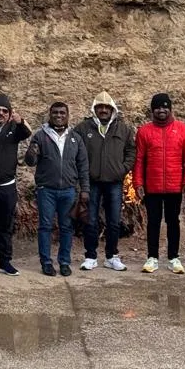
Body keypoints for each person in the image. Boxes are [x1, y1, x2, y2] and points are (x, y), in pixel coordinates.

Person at [133, 93, 185, 274]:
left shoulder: (183, 130)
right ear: (152, 110)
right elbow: (139, 160)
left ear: (170, 109)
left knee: (173, 222)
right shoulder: (144, 131)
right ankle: (152, 258)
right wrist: (138, 183)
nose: (161, 110)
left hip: (174, 186)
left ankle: (173, 258)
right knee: (153, 222)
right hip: (152, 186)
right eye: (157, 107)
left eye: (165, 107)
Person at [24, 102, 89, 277]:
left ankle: (64, 262)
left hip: (68, 190)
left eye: (62, 113)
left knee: (66, 227)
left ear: (67, 115)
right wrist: (31, 152)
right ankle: (46, 262)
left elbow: (83, 166)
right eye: (55, 113)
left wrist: (85, 189)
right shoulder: (40, 136)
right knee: (45, 226)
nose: (58, 115)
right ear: (50, 114)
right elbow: (30, 162)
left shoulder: (75, 138)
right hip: (46, 190)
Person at [72, 92, 136, 272]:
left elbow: (131, 151)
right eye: (99, 107)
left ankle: (111, 256)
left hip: (114, 182)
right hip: (91, 182)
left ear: (112, 109)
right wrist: (81, 175)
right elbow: (74, 151)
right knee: (91, 220)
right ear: (94, 109)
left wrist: (122, 169)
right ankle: (90, 256)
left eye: (107, 107)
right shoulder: (83, 128)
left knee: (114, 221)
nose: (103, 110)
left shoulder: (123, 129)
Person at [0, 94, 32, 281]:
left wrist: (21, 121)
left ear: (9, 113)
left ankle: (5, 262)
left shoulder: (13, 128)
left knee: (5, 226)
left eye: (4, 111)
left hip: (7, 186)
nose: (0, 113)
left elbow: (27, 133)